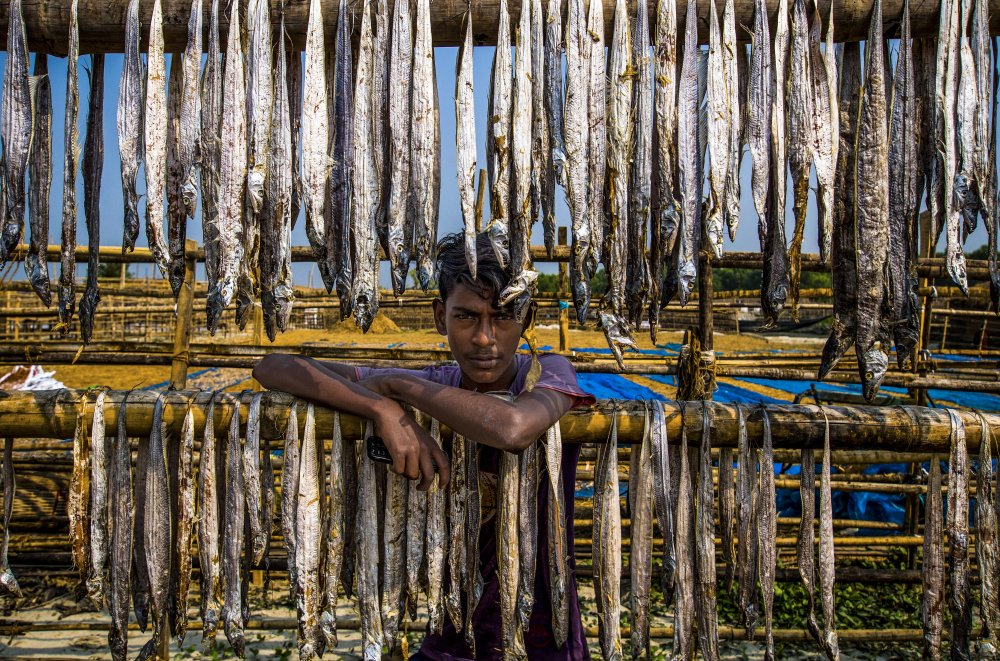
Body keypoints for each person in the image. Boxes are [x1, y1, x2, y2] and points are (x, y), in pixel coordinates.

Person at [253, 231, 595, 660]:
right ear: (440, 317)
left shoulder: (550, 374)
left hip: (544, 639)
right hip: (450, 639)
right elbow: (274, 367)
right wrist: (383, 409)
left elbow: (513, 428)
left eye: (503, 317)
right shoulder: (436, 384)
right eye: (467, 317)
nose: (485, 338)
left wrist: (397, 388)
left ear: (526, 318)